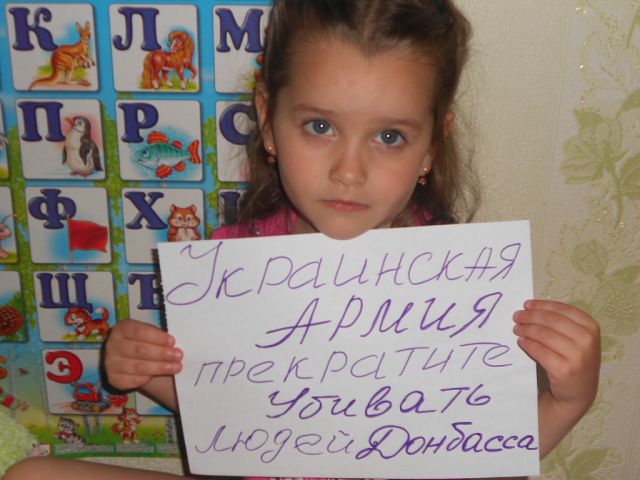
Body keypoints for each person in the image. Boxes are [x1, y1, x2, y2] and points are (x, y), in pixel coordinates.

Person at [6, 1, 601, 479]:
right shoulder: (230, 262)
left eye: (389, 137)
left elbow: (484, 451)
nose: (349, 170)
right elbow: (234, 413)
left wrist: (568, 401)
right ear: (268, 120)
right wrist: (143, 368)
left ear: (431, 147)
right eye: (320, 126)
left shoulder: (459, 290)